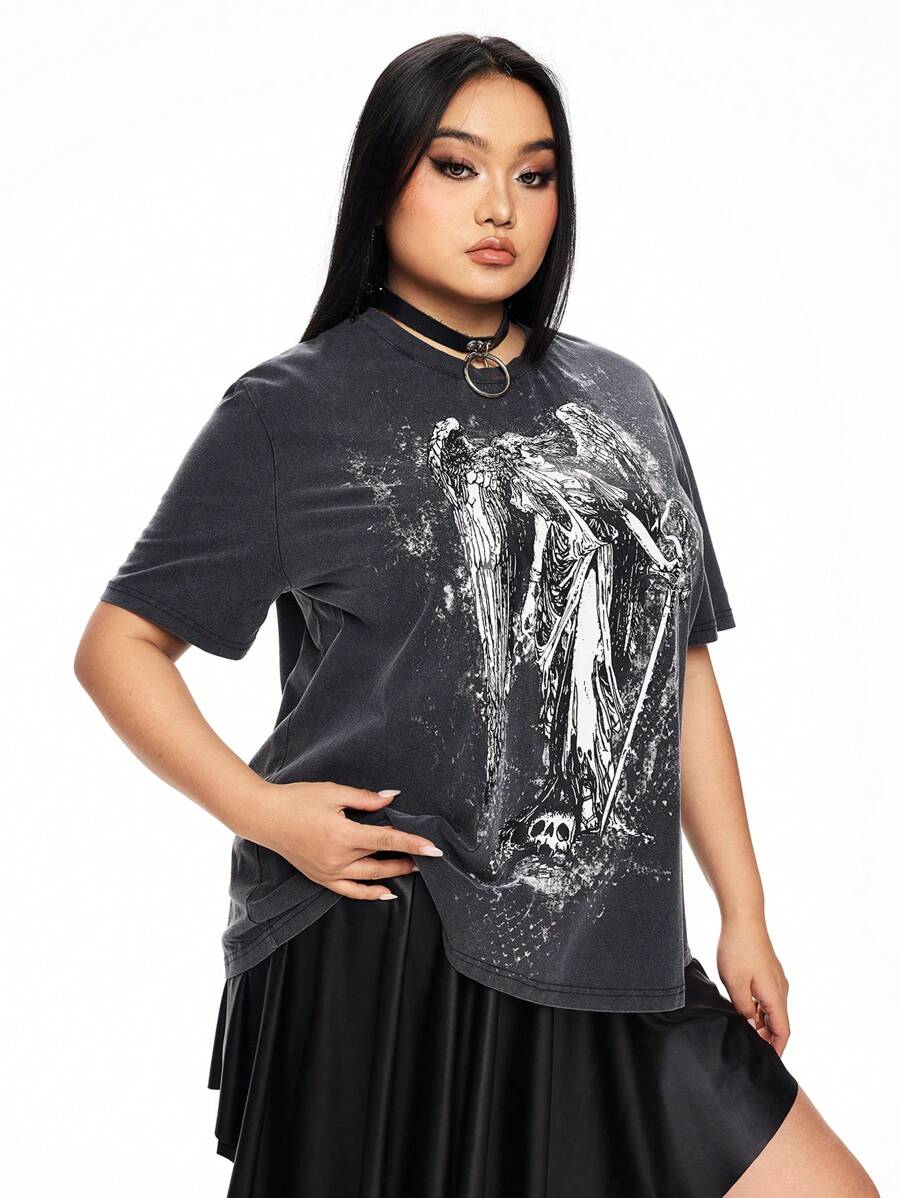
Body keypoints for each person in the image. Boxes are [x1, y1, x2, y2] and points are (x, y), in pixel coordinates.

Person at [74, 32, 879, 1198]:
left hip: (620, 950)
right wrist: (264, 811)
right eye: (457, 166)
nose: (500, 206)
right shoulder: (291, 408)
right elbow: (120, 645)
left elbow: (679, 668)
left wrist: (743, 910)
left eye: (534, 173)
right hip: (392, 944)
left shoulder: (623, 398)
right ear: (385, 180)